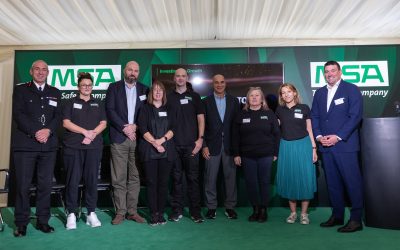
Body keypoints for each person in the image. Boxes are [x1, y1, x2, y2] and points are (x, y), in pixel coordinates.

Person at [311, 60, 364, 233]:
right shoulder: (319, 93)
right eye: (327, 71)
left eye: (333, 70)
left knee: (352, 183)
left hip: (345, 146)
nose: (330, 74)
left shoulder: (351, 89)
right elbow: (316, 117)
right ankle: (337, 215)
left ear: (340, 72)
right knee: (333, 184)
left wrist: (338, 137)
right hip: (325, 146)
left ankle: (356, 220)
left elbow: (355, 116)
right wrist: (319, 137)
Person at [11, 60, 61, 237]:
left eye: (44, 70)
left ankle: (42, 221)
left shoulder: (55, 92)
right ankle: (21, 223)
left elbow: (58, 116)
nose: (41, 72)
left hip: (48, 147)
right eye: (37, 69)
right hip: (25, 146)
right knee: (23, 186)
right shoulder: (21, 90)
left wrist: (47, 130)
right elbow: (18, 114)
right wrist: (35, 132)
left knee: (45, 186)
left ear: (48, 72)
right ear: (31, 71)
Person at [105, 61, 148, 225]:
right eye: (130, 69)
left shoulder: (145, 89)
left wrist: (136, 126)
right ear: (125, 70)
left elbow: (146, 112)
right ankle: (120, 212)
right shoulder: (113, 87)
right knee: (119, 177)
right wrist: (125, 128)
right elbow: (110, 110)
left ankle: (132, 211)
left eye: (136, 71)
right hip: (119, 137)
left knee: (135, 177)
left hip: (138, 139)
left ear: (138, 73)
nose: (133, 73)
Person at [62, 72, 107, 230]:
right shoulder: (70, 103)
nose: (86, 87)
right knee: (72, 181)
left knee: (91, 181)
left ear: (92, 87)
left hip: (93, 147)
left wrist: (92, 134)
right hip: (73, 147)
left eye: (89, 85)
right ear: (78, 87)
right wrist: (84, 132)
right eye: (83, 85)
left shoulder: (98, 103)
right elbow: (66, 123)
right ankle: (71, 214)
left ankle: (91, 213)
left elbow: (103, 123)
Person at [232, 87, 280, 223]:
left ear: (261, 98)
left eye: (257, 95)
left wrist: (275, 152)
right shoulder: (241, 114)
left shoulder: (269, 113)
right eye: (251, 95)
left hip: (266, 154)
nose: (254, 97)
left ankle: (264, 209)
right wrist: (236, 154)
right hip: (247, 156)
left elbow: (277, 134)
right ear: (248, 98)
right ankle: (255, 209)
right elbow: (235, 136)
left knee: (264, 182)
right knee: (251, 183)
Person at [275, 83, 317, 225]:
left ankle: (304, 214)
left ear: (294, 93)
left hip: (303, 146)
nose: (286, 94)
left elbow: (309, 129)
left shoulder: (304, 108)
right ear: (281, 96)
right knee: (290, 178)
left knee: (305, 178)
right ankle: (293, 213)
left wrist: (314, 148)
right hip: (286, 147)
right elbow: (275, 130)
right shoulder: (279, 110)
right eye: (283, 92)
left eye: (289, 91)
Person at [167, 68, 205, 223]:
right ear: (174, 78)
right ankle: (176, 211)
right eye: (178, 76)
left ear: (187, 78)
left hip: (192, 146)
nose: (181, 78)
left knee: (193, 180)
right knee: (176, 180)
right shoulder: (168, 97)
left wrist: (200, 139)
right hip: (173, 145)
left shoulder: (195, 97)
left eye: (183, 76)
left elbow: (201, 119)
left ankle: (195, 212)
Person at [137, 80, 176, 226]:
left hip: (166, 151)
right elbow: (143, 129)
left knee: (163, 184)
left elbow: (173, 128)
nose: (158, 92)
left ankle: (160, 213)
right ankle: (153, 214)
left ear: (164, 93)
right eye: (155, 90)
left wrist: (162, 140)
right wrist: (155, 143)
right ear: (151, 93)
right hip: (149, 151)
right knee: (152, 184)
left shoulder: (170, 108)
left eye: (161, 90)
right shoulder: (145, 109)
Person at [202, 74, 240, 220]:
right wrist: (204, 145)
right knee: (210, 179)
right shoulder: (205, 102)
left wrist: (237, 149)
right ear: (213, 84)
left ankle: (230, 207)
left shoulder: (234, 101)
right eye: (216, 82)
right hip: (211, 146)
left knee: (230, 179)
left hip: (230, 146)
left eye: (222, 82)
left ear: (226, 83)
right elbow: (202, 125)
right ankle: (211, 207)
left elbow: (237, 127)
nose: (219, 84)